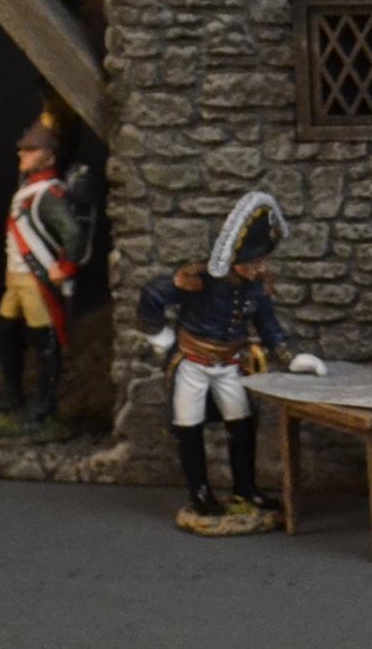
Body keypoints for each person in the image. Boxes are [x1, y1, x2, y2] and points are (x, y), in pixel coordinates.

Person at [135, 190, 326, 522]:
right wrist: (159, 336)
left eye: (261, 261)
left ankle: (245, 489)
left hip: (231, 364)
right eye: (253, 262)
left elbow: (268, 325)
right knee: (188, 427)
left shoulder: (256, 287)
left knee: (242, 424)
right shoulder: (199, 280)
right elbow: (152, 294)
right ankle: (199, 493)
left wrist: (291, 357)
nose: (260, 268)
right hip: (192, 364)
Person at [0, 111, 85, 438]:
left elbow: (74, 234)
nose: (22, 153)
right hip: (16, 278)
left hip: (36, 280)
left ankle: (44, 406)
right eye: (23, 149)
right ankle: (13, 397)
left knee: (44, 341)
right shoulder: (29, 187)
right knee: (5, 330)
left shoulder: (48, 193)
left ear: (49, 157)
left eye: (31, 149)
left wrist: (65, 267)